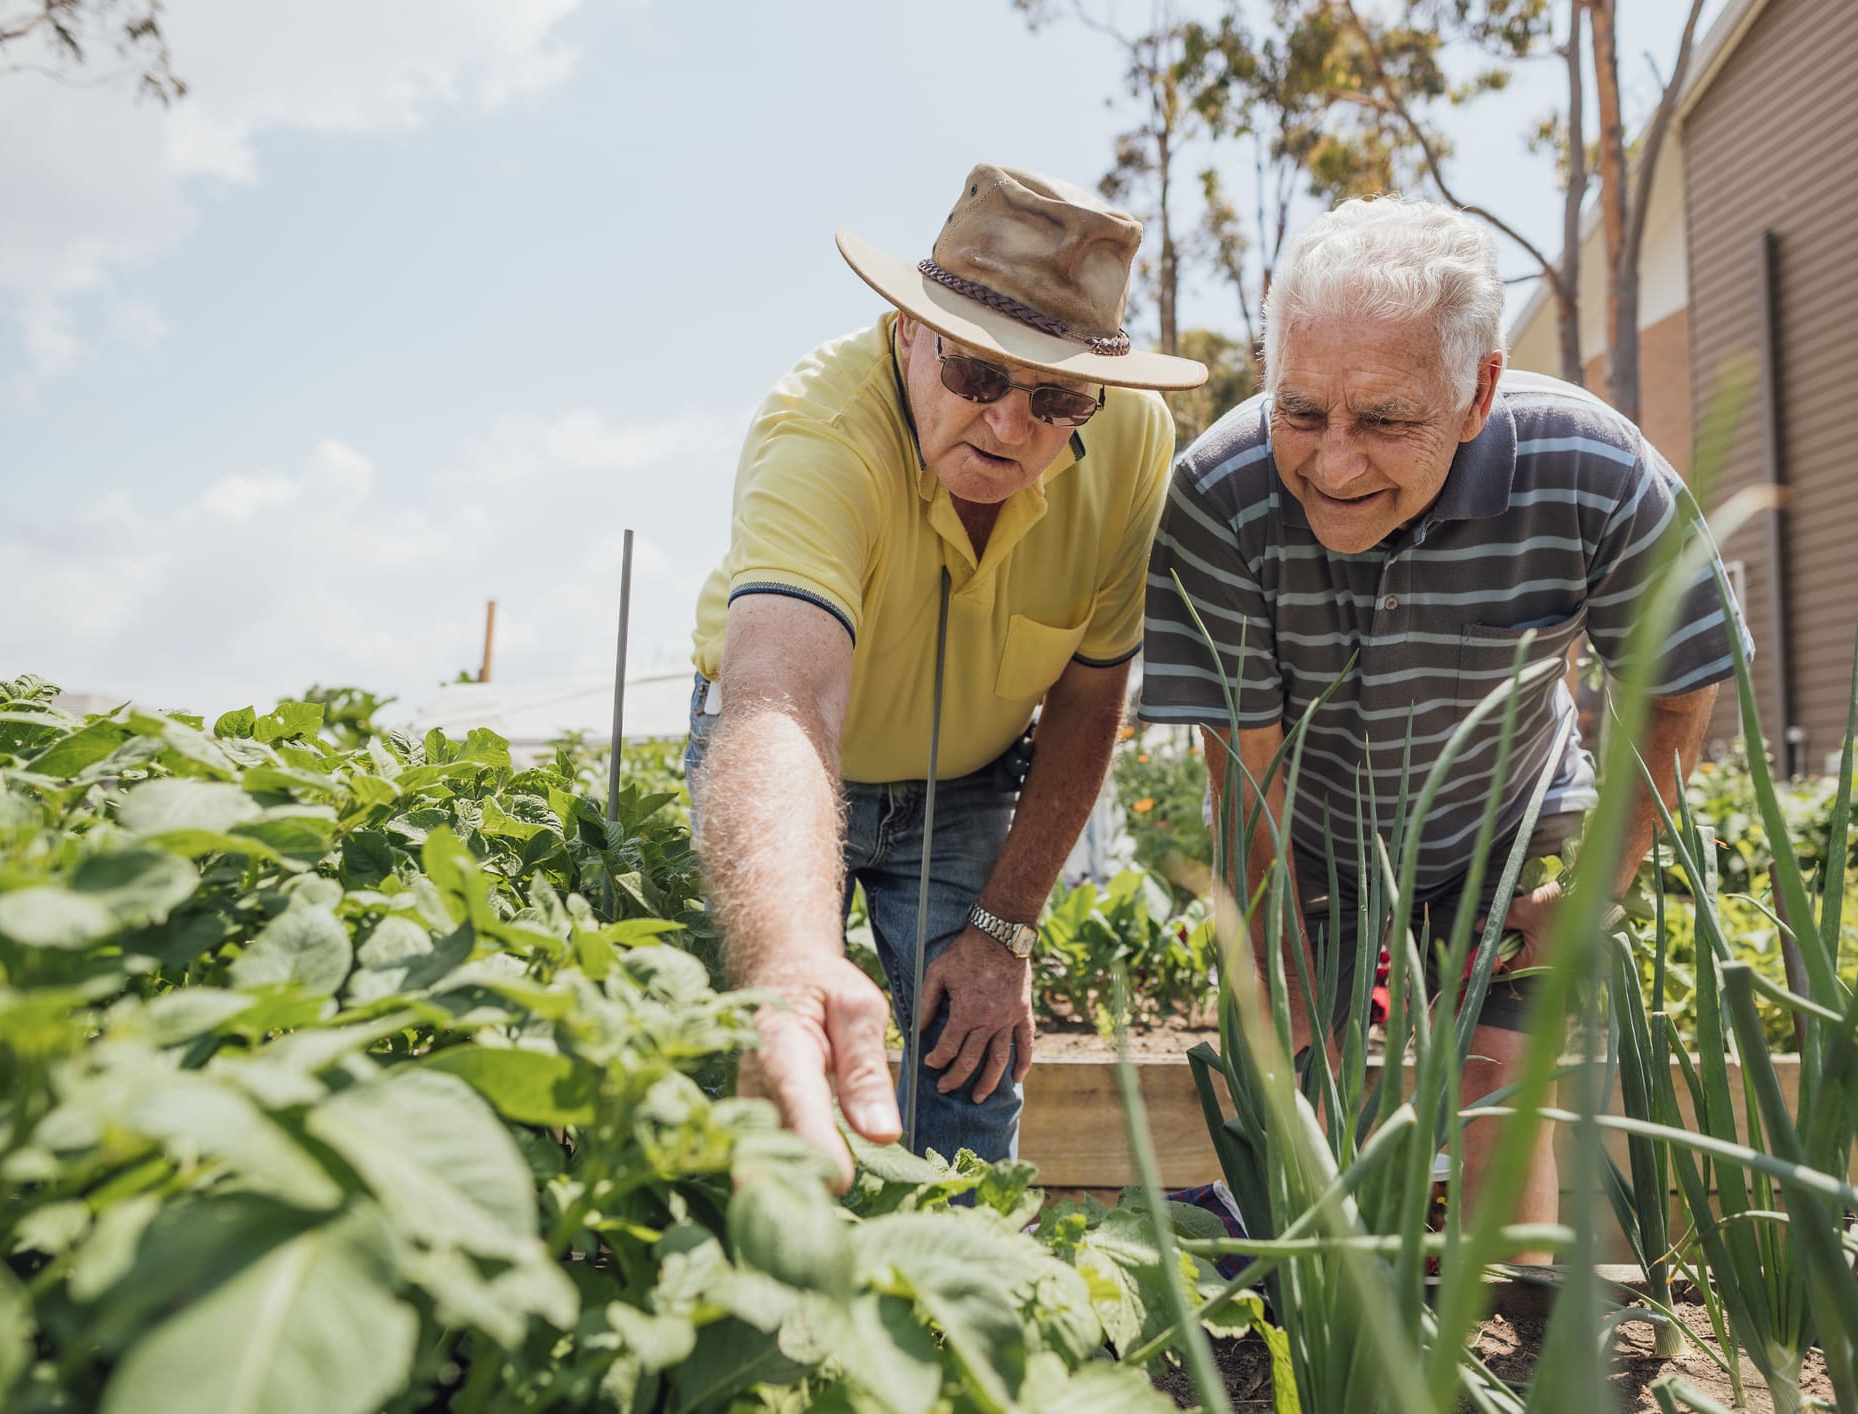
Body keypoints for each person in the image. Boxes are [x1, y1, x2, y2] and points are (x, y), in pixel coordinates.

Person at [1140, 194, 1747, 1248]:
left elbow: (1679, 684)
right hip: (1316, 831)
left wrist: (1597, 883)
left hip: (1513, 819)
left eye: (1385, 419)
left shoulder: (1593, 472)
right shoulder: (1223, 495)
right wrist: (1281, 988)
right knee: (1300, 1096)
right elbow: (1247, 777)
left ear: (1478, 394)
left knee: (1495, 1089)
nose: (1333, 464)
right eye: (1302, 410)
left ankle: (1508, 1332)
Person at [685, 164, 1206, 1187]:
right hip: (797, 764)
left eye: (1055, 397)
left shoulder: (1134, 443)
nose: (1011, 427)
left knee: (972, 1056)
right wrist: (793, 957)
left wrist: (1005, 929)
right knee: (764, 1041)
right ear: (908, 333)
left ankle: (957, 1291)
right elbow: (782, 701)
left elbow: (1092, 695)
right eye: (977, 377)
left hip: (967, 779)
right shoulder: (820, 435)